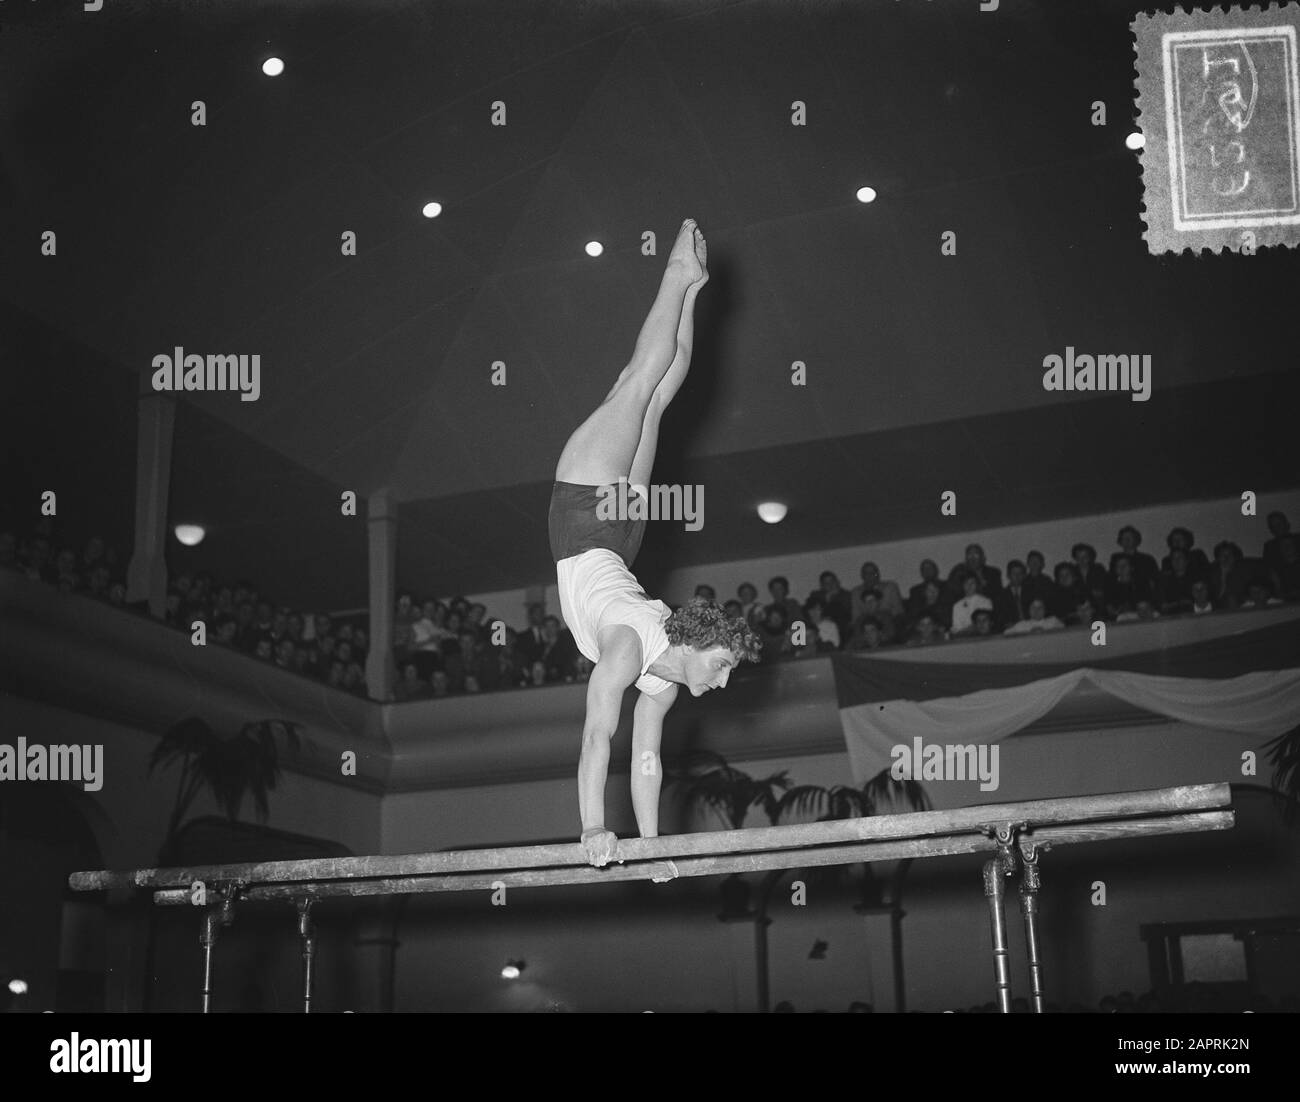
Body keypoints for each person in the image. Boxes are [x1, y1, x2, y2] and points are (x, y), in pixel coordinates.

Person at [548, 219, 761, 868]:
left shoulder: (660, 681)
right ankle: (677, 279)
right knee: (642, 385)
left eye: (725, 670)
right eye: (722, 665)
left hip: (604, 527)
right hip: (595, 518)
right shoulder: (628, 646)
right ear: (694, 646)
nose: (723, 680)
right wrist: (591, 828)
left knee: (652, 394)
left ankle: (690, 289)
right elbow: (595, 737)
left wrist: (649, 847)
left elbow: (644, 758)